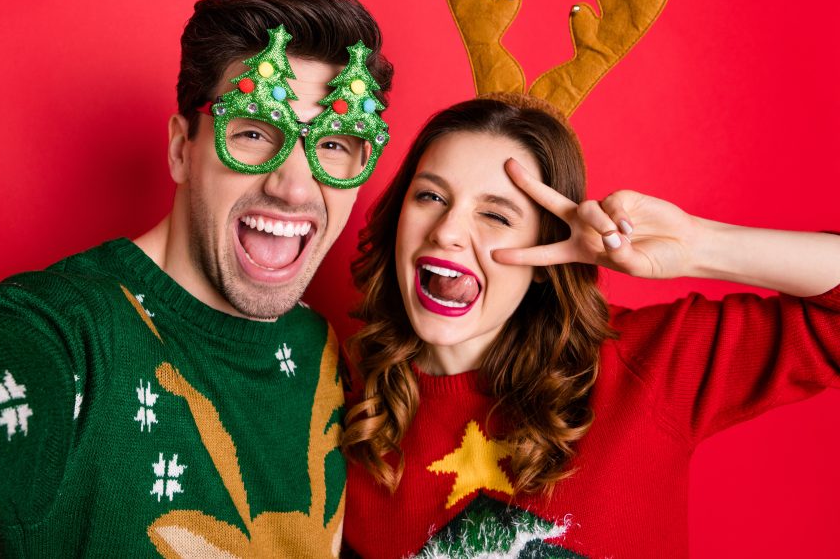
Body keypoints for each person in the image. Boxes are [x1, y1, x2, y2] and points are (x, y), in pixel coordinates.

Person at [0, 0, 393, 558]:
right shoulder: (73, 340)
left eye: (334, 144)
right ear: (183, 149)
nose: (293, 185)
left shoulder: (324, 351)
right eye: (254, 132)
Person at [340, 94, 840, 558]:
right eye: (430, 197)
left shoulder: (646, 367)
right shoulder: (339, 407)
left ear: (546, 254)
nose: (446, 230)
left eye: (495, 214)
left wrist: (696, 244)